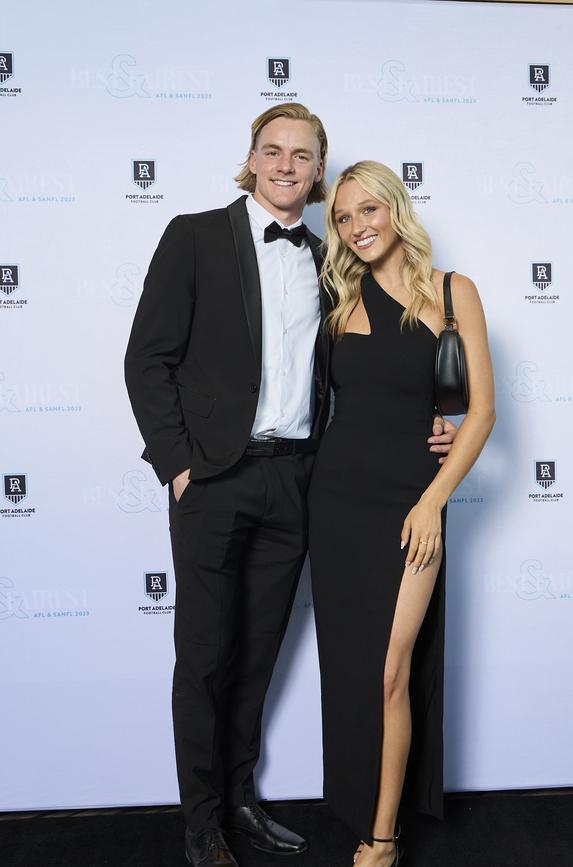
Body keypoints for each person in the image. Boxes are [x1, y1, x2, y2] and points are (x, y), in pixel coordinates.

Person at [125, 106, 457, 867]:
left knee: (259, 651)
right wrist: (179, 466)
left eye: (301, 156)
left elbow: (379, 370)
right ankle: (202, 820)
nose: (285, 165)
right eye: (272, 151)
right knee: (205, 653)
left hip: (297, 481)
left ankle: (241, 798)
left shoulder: (329, 260)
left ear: (317, 173)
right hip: (211, 477)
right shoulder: (195, 235)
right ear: (251, 158)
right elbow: (147, 359)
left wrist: (435, 425)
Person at [308, 161, 495, 867]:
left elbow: (481, 412)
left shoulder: (453, 292)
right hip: (336, 503)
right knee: (356, 671)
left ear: (395, 209)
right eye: (344, 218)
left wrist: (433, 497)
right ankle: (361, 807)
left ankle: (382, 838)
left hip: (413, 501)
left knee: (393, 670)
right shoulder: (337, 300)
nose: (357, 227)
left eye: (368, 210)